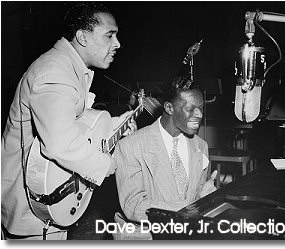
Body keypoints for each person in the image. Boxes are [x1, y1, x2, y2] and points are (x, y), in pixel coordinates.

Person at [1, 3, 136, 240]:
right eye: (110, 35)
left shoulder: (70, 67)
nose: (118, 44)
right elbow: (60, 144)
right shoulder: (55, 72)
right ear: (83, 37)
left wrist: (116, 125)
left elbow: (75, 127)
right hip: (32, 204)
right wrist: (108, 165)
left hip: (47, 199)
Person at [113, 75, 218, 240]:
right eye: (191, 109)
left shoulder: (201, 146)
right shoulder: (130, 146)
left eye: (201, 108)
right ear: (169, 108)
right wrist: (186, 209)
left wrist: (206, 198)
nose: (199, 114)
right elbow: (132, 205)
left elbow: (196, 196)